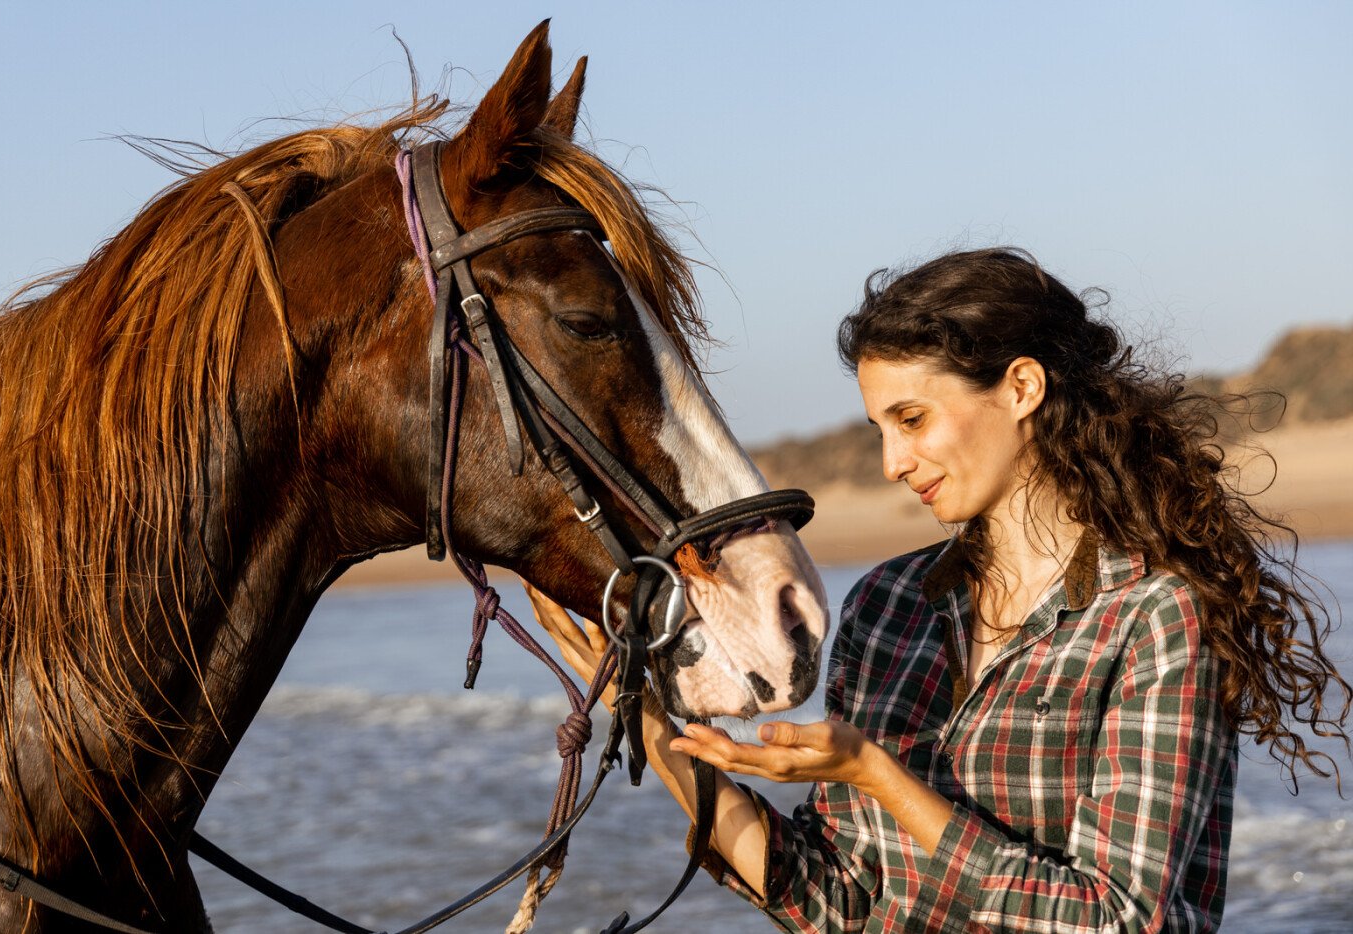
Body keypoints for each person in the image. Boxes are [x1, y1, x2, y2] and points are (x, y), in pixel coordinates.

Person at [525, 248, 1351, 932]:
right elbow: (835, 899)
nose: (893, 463)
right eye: (879, 430)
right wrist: (644, 720)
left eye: (913, 420)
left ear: (1022, 389)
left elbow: (1119, 919)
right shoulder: (889, 606)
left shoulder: (1155, 617)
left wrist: (880, 777)